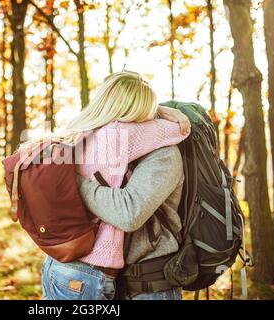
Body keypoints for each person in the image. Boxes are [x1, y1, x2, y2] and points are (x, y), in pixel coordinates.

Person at [38, 71, 190, 300]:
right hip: (83, 270)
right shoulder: (92, 141)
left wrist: (70, 182)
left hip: (149, 283)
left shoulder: (163, 155)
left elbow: (128, 213)